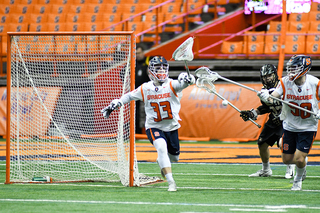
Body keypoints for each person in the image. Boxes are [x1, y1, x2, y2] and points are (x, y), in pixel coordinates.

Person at [101, 56, 195, 191]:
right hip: (153, 126)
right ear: (151, 70)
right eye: (158, 68)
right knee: (161, 147)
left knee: (174, 158)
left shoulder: (172, 84)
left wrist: (188, 78)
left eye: (163, 68)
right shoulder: (146, 88)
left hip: (172, 127)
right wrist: (116, 103)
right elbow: (129, 96)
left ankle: (161, 162)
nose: (161, 70)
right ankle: (171, 182)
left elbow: (186, 83)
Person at [258, 54, 318, 191]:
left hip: (308, 126)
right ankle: (302, 162)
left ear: (304, 68)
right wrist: (266, 97)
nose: (291, 72)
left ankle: (297, 180)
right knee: (286, 159)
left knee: (298, 159)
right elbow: (274, 99)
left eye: (295, 68)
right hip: (290, 125)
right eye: (290, 68)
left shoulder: (315, 83)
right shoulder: (285, 82)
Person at [240, 64, 295, 179]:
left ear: (275, 75)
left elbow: (284, 103)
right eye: (264, 76)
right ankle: (266, 170)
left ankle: (291, 168)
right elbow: (266, 108)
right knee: (262, 144)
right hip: (274, 120)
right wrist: (253, 113)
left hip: (286, 119)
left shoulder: (284, 85)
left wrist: (270, 98)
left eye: (269, 75)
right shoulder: (264, 90)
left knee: (283, 143)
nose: (267, 78)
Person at [135, 44, 152, 134]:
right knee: (135, 112)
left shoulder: (148, 61)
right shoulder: (133, 63)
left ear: (143, 53)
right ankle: (136, 132)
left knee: (145, 112)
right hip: (136, 92)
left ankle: (147, 131)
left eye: (139, 53)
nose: (137, 55)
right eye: (136, 53)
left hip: (147, 92)